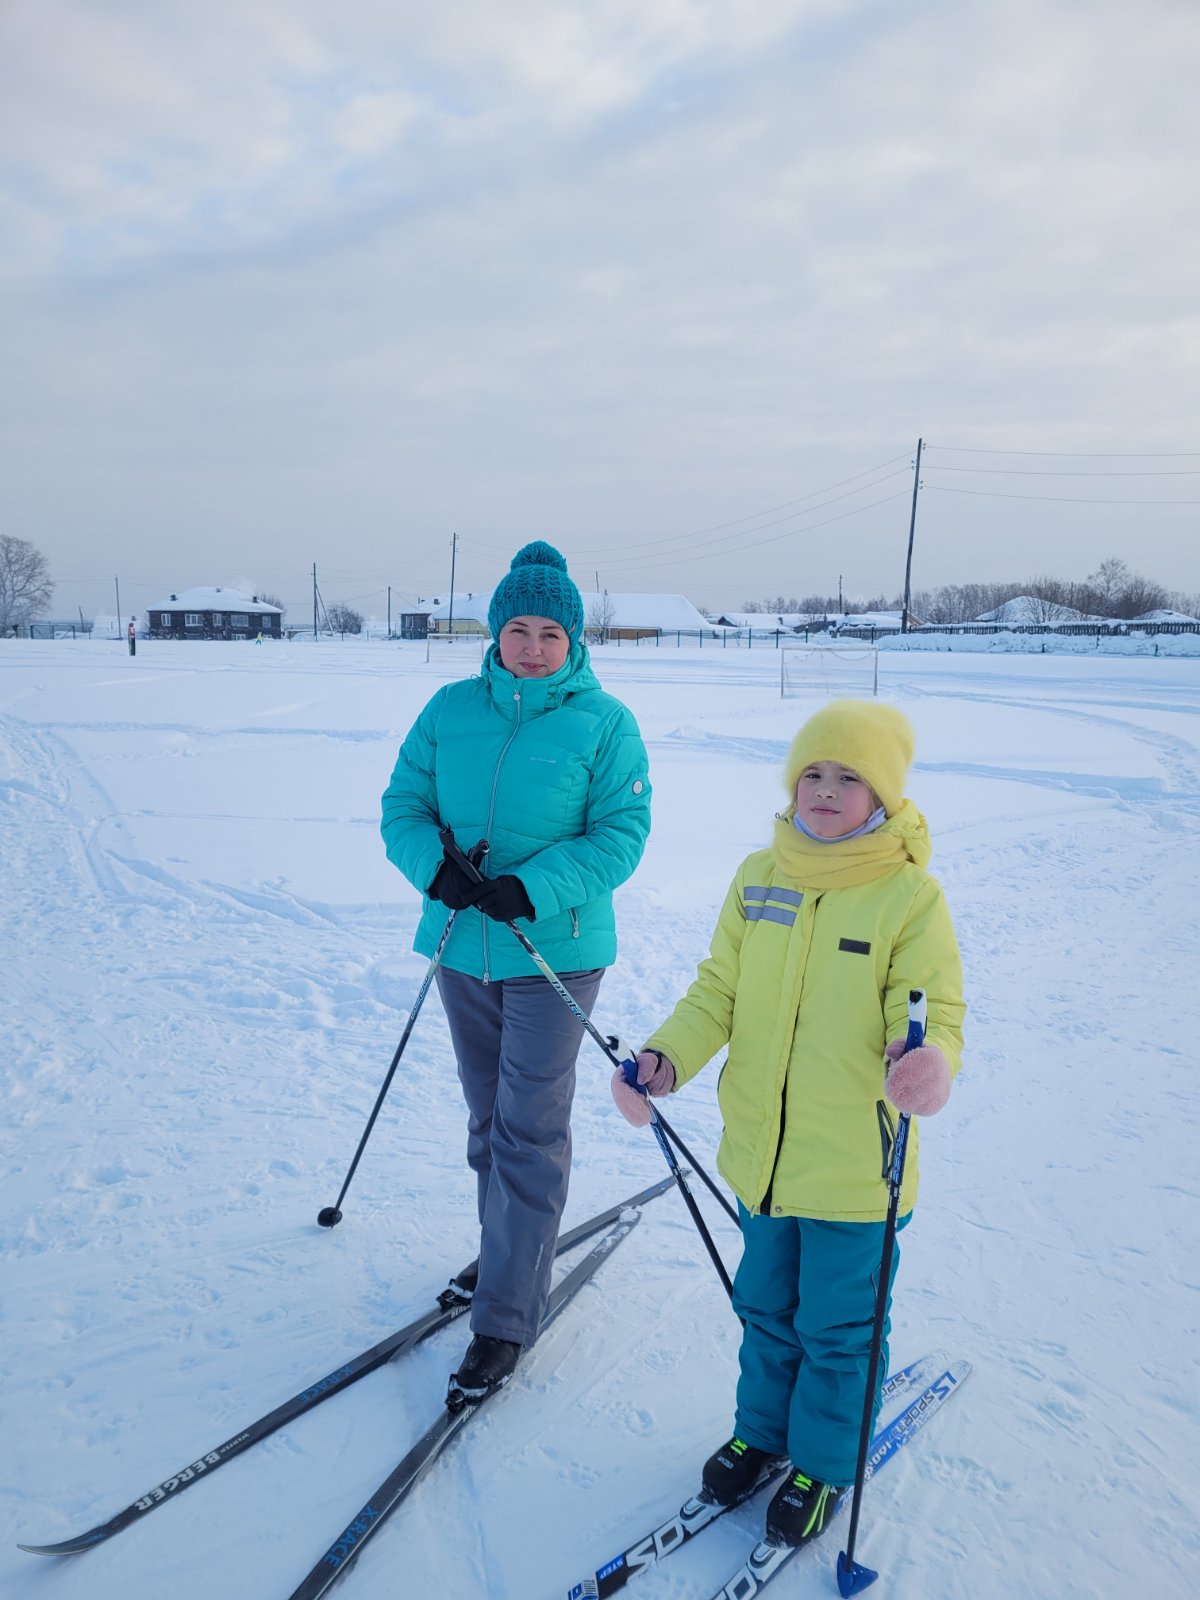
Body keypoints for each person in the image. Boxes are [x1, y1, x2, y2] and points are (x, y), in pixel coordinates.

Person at [612, 698, 964, 1548]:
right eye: (813, 773)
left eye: (849, 777)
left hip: (854, 1172)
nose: (826, 790)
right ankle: (762, 1433)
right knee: (765, 1310)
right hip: (762, 1161)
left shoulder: (907, 896)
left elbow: (931, 1010)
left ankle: (822, 1463)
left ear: (882, 795)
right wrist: (665, 1059)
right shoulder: (759, 875)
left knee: (839, 1330)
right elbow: (718, 991)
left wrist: (922, 1059)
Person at [382, 541, 651, 1402]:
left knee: (527, 1129)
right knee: (486, 1118)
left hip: (554, 952)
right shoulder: (448, 710)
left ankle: (504, 1316)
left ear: (574, 640)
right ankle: (505, 1254)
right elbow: (403, 807)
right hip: (463, 947)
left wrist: (531, 887)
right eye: (518, 631)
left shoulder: (604, 723)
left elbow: (620, 837)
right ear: (495, 634)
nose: (532, 648)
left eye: (550, 634)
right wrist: (436, 869)